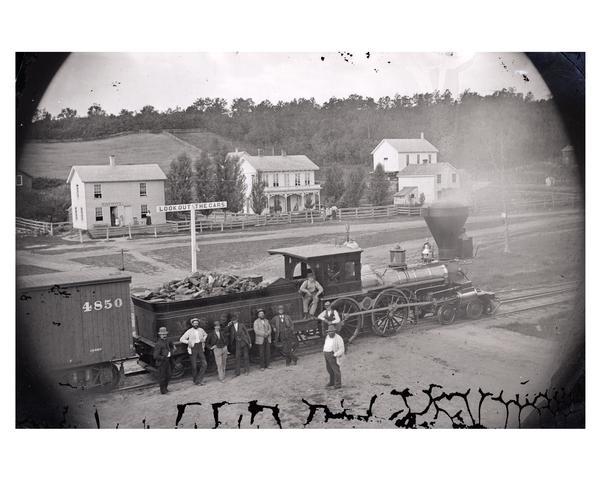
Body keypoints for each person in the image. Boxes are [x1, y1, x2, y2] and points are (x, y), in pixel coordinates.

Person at [179, 318, 208, 385]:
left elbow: (206, 335)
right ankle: (196, 381)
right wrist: (188, 342)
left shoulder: (201, 330)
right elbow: (181, 339)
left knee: (204, 364)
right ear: (192, 324)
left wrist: (204, 339)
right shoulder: (189, 331)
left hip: (200, 347)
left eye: (197, 323)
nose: (196, 324)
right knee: (194, 366)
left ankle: (199, 379)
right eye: (194, 323)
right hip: (193, 348)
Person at [153, 326, 174, 394]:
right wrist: (164, 357)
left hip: (167, 361)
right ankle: (163, 390)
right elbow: (155, 356)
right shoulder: (158, 344)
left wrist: (171, 350)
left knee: (169, 375)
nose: (164, 335)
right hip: (161, 363)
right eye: (162, 334)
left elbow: (171, 345)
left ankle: (165, 388)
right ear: (160, 335)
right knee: (162, 377)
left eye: (165, 334)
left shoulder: (167, 340)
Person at [323, 325, 345, 389]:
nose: (330, 333)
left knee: (336, 370)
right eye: (329, 332)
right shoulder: (327, 337)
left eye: (332, 332)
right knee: (329, 369)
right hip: (326, 354)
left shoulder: (338, 338)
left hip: (332, 354)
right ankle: (332, 382)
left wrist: (335, 354)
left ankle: (338, 384)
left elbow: (342, 349)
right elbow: (326, 344)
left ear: (334, 332)